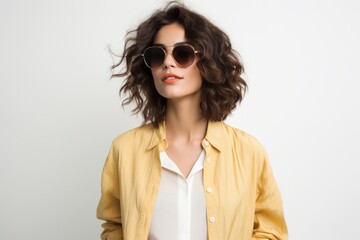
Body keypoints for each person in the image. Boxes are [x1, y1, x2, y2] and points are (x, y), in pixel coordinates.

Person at [96, 1, 288, 239]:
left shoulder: (248, 152)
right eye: (157, 55)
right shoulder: (124, 150)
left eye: (183, 53)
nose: (168, 62)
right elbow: (115, 226)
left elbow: (271, 232)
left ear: (208, 63)